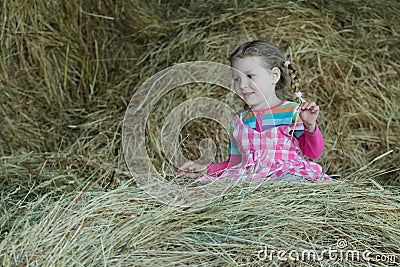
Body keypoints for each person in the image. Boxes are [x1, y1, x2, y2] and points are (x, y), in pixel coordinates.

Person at [175, 40, 332, 182]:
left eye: (250, 76)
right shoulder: (239, 122)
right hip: (252, 180)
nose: (242, 85)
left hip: (286, 177)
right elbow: (236, 164)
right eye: (236, 79)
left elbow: (313, 153)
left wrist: (310, 126)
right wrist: (206, 169)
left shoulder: (291, 112)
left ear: (274, 76)